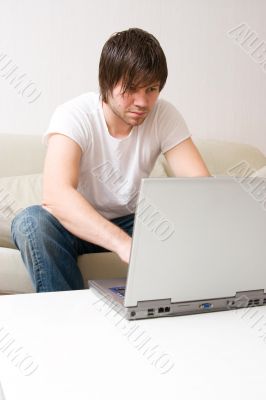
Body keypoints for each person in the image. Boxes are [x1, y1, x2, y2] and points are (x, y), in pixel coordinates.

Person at [11, 27, 210, 292]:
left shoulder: (163, 115)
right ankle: (69, 320)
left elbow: (201, 185)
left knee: (188, 221)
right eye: (131, 89)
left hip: (133, 219)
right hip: (74, 225)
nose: (143, 102)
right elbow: (57, 195)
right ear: (106, 82)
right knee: (31, 221)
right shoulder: (74, 115)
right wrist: (122, 244)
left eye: (152, 89)